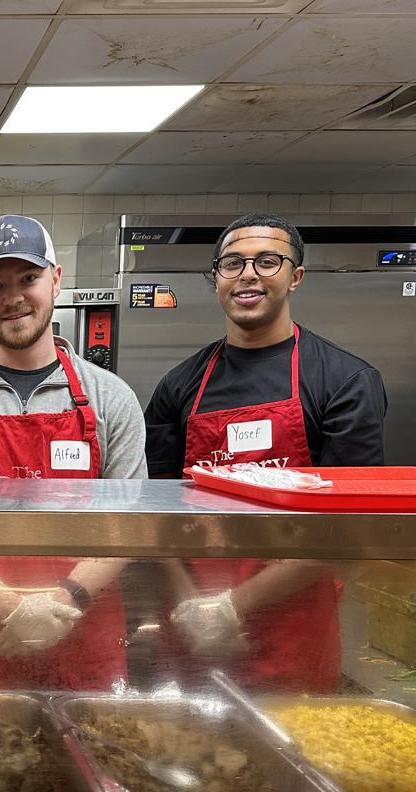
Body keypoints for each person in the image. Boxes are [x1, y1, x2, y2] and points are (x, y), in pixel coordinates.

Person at [144, 213, 387, 691]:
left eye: (267, 261)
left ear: (295, 276)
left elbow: (344, 526)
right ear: (215, 278)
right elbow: (156, 508)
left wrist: (234, 606)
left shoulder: (344, 381)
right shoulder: (179, 385)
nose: (248, 274)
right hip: (191, 620)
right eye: (232, 263)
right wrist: (196, 604)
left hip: (293, 623)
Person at [0, 215, 147, 689]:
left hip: (85, 631)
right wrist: (15, 610)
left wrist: (62, 603)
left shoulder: (111, 398)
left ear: (55, 281)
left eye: (28, 279)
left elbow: (128, 523)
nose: (12, 297)